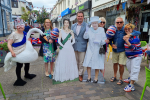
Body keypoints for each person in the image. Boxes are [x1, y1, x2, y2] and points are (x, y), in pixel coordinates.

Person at [110, 17, 141, 85]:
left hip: (122, 50)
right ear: (115, 23)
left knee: (121, 65)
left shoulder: (125, 29)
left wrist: (130, 34)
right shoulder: (113, 30)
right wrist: (111, 44)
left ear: (123, 23)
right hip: (115, 50)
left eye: (121, 22)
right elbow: (109, 38)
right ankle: (114, 76)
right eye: (118, 22)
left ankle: (121, 78)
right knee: (115, 63)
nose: (119, 23)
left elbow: (138, 32)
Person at [7, 17, 36, 86]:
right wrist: (12, 52)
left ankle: (26, 74)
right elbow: (9, 44)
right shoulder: (13, 34)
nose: (20, 27)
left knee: (27, 63)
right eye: (18, 26)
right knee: (19, 65)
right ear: (16, 27)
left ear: (24, 26)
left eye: (21, 25)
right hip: (18, 53)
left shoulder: (25, 33)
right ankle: (18, 79)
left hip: (26, 51)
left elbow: (28, 42)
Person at [83, 16, 109, 83]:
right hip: (90, 49)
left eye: (95, 23)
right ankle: (89, 77)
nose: (94, 24)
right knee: (88, 63)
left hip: (97, 49)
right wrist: (86, 31)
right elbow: (85, 37)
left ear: (98, 23)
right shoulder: (90, 30)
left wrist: (100, 42)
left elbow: (104, 40)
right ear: (91, 24)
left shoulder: (101, 30)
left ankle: (96, 78)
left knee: (97, 64)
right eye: (93, 23)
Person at [123, 23, 142, 92]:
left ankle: (131, 85)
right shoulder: (126, 35)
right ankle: (131, 78)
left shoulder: (135, 38)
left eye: (129, 29)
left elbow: (133, 49)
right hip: (129, 57)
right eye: (126, 29)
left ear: (132, 30)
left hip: (136, 56)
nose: (127, 30)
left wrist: (127, 41)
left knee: (134, 70)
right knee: (129, 68)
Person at [71, 11, 88, 82]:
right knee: (75, 61)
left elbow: (88, 36)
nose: (80, 17)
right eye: (79, 16)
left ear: (83, 17)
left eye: (81, 16)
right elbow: (71, 35)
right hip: (74, 46)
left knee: (81, 62)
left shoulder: (86, 25)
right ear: (77, 17)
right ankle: (76, 73)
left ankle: (80, 74)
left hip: (82, 46)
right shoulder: (73, 26)